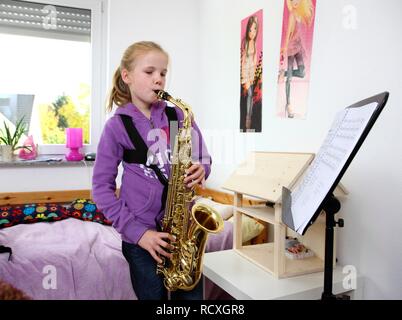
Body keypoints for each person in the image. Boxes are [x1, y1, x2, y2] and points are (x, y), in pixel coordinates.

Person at [92, 41, 211, 300]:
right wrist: (140, 234)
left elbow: (202, 156)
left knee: (190, 299)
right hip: (141, 238)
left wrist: (202, 167)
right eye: (149, 72)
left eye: (163, 73)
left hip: (182, 232)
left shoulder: (178, 115)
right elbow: (101, 189)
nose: (159, 79)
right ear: (127, 76)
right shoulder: (117, 127)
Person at [278, 0, 314, 118]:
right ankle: (288, 104)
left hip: (298, 47)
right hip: (291, 49)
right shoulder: (293, 15)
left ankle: (284, 73)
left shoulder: (299, 14)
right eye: (293, 1)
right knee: (288, 80)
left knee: (302, 72)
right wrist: (284, 46)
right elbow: (288, 31)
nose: (295, 2)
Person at [240, 15, 262, 132]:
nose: (252, 32)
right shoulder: (246, 43)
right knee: (249, 94)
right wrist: (245, 79)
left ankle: (249, 116)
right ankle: (248, 118)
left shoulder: (255, 43)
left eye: (254, 29)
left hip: (252, 75)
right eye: (250, 29)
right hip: (245, 76)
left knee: (252, 96)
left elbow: (254, 62)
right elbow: (243, 63)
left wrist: (253, 78)